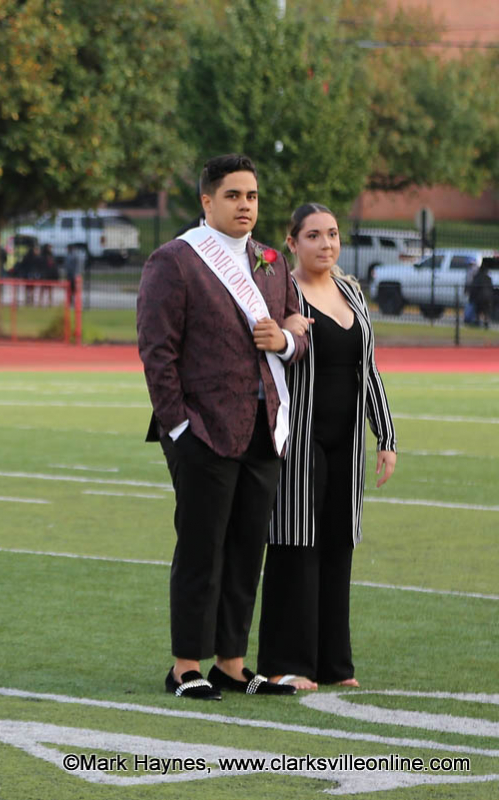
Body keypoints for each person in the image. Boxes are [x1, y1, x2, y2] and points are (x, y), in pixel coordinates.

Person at [137, 153, 308, 700]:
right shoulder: (176, 260)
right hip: (203, 430)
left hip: (264, 426)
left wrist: (286, 340)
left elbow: (294, 335)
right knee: (201, 548)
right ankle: (186, 664)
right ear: (207, 201)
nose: (245, 205)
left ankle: (231, 662)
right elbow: (156, 352)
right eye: (233, 195)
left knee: (244, 549)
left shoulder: (272, 261)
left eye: (252, 196)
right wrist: (179, 428)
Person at [258, 203, 398, 691]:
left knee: (339, 545)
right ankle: (285, 663)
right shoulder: (282, 291)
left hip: (348, 441)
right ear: (292, 243)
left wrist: (386, 436)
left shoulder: (352, 291)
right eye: (313, 236)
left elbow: (370, 368)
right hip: (298, 438)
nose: (326, 244)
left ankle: (335, 665)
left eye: (333, 234)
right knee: (296, 544)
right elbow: (265, 347)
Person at [469, 258, 493, 329]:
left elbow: (474, 288)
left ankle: (478, 321)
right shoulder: (488, 278)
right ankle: (486, 322)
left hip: (480, 297)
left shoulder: (477, 277)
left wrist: (471, 297)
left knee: (478, 310)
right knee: (486, 311)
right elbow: (491, 288)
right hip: (488, 297)